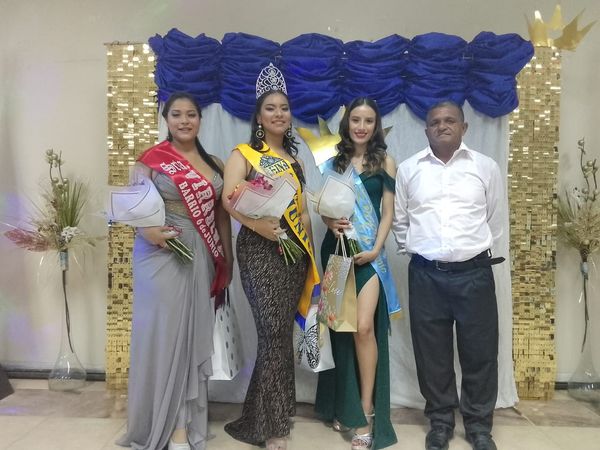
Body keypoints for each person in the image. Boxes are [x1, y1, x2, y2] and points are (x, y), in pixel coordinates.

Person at [117, 92, 233, 450]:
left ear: (200, 119)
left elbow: (221, 217)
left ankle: (183, 422)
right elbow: (134, 212)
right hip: (161, 255)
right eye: (177, 115)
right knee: (166, 339)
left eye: (191, 114)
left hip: (202, 255)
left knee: (191, 338)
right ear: (166, 120)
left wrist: (227, 260)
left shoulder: (214, 163)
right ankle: (170, 426)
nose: (184, 121)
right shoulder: (151, 161)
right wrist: (149, 232)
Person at [392, 101, 504, 450]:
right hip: (427, 275)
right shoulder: (409, 169)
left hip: (474, 273)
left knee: (480, 353)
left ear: (463, 127)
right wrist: (425, 252)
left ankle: (479, 426)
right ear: (426, 130)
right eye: (435, 122)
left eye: (450, 120)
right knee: (432, 354)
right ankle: (440, 422)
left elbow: (495, 220)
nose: (442, 126)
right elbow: (400, 222)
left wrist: (470, 252)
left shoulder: (485, 167)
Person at [222, 64, 320, 450]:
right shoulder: (244, 154)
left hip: (293, 252)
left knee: (279, 334)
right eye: (270, 108)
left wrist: (311, 255)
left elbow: (303, 213)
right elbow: (229, 198)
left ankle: (262, 415)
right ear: (259, 118)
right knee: (273, 332)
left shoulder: (296, 162)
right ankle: (274, 424)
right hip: (259, 249)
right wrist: (257, 225)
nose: (279, 113)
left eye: (284, 108)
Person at [314, 98, 401, 450]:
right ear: (346, 124)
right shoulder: (334, 162)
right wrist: (328, 222)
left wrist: (377, 248)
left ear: (376, 125)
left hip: (370, 256)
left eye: (368, 121)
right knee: (341, 330)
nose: (361, 126)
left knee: (364, 328)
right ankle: (344, 405)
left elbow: (387, 213)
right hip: (337, 252)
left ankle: (365, 410)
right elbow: (324, 207)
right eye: (355, 120)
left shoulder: (385, 162)